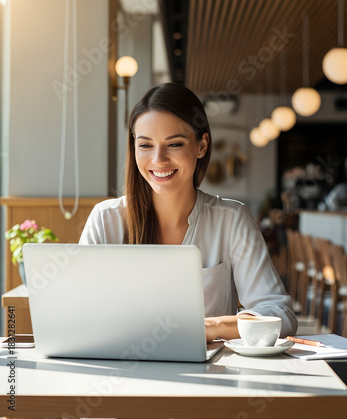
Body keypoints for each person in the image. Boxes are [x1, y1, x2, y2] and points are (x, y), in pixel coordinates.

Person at [79, 83, 297, 341]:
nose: (158, 160)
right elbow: (78, 312)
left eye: (174, 144)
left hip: (209, 376)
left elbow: (280, 315)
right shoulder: (106, 220)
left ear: (201, 146)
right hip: (122, 371)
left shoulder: (231, 220)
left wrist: (212, 327)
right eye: (146, 145)